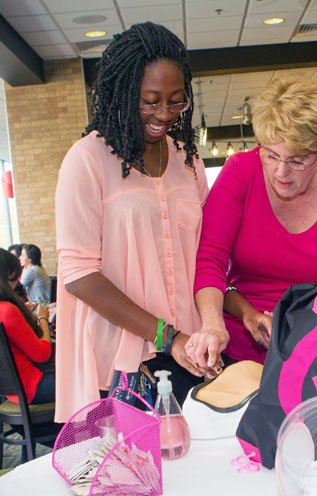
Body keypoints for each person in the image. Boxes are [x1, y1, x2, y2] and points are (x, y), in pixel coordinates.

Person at [54, 22, 209, 422]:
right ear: (122, 94)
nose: (164, 115)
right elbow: (78, 273)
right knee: (134, 477)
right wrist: (165, 335)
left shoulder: (187, 160)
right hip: (121, 360)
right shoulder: (87, 159)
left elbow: (209, 251)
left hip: (190, 351)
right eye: (150, 101)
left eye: (176, 102)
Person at [189, 78, 317, 369]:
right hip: (243, 353)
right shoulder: (241, 172)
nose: (281, 172)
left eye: (298, 160)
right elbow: (210, 258)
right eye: (271, 155)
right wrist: (213, 325)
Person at [0, 249, 54, 404]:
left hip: (10, 391)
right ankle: (97, 426)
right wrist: (43, 318)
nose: (17, 282)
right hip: (33, 387)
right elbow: (43, 354)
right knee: (92, 378)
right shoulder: (6, 310)